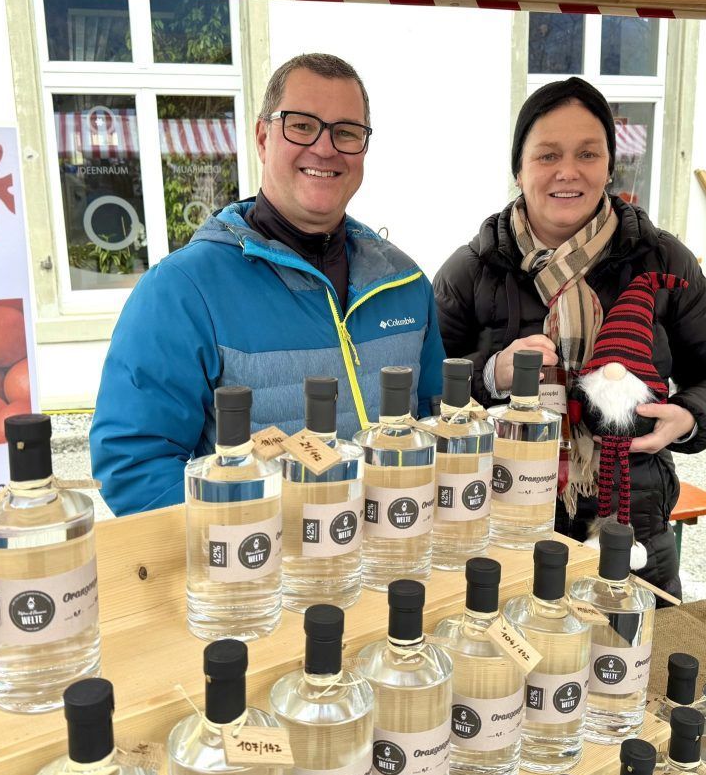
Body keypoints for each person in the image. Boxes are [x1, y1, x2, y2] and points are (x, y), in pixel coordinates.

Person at [433, 77, 706, 598]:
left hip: (630, 523)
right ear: (519, 168)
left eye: (588, 153)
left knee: (628, 667)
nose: (568, 171)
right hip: (498, 525)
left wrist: (690, 416)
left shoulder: (660, 258)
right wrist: (491, 374)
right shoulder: (472, 269)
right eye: (547, 155)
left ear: (610, 165)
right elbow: (422, 390)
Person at [90, 53, 445, 516]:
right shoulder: (181, 291)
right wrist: (270, 527)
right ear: (263, 136)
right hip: (259, 576)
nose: (325, 148)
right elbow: (135, 469)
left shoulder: (405, 283)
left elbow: (433, 426)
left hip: (389, 565)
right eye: (301, 125)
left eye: (347, 132)